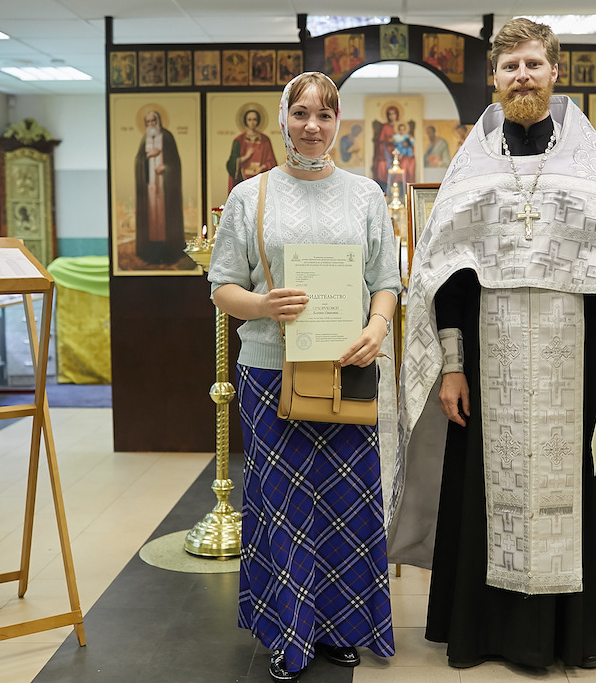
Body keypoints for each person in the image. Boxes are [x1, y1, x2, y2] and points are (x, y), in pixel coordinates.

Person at [387, 17, 596, 672]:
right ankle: (481, 631)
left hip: (570, 357)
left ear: (555, 72)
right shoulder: (471, 169)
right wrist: (451, 365)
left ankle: (570, 632)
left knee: (572, 480)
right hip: (486, 357)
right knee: (480, 486)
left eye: (533, 64)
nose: (522, 77)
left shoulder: (589, 168)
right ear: (494, 79)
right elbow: (447, 279)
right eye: (510, 67)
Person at [207, 72, 400, 683]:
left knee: (348, 500)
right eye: (300, 114)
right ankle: (288, 633)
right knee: (283, 504)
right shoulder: (250, 195)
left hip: (347, 369)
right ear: (283, 119)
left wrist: (377, 328)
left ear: (339, 122)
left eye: (324, 114)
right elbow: (221, 286)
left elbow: (386, 280)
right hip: (270, 371)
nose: (312, 126)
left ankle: (341, 628)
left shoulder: (366, 194)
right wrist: (262, 305)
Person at [134, 110, 186, 264]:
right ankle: (150, 250)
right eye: (148, 122)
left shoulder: (167, 137)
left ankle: (169, 250)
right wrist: (147, 156)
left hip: (165, 187)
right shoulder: (145, 139)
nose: (151, 124)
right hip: (150, 187)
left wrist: (166, 168)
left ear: (159, 121)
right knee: (151, 217)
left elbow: (175, 162)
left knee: (164, 216)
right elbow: (138, 161)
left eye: (153, 121)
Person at [226, 108, 278, 192]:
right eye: (249, 120)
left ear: (258, 121)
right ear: (245, 121)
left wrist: (262, 167)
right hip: (242, 180)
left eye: (254, 119)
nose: (252, 122)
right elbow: (231, 163)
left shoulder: (265, 140)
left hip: (261, 180)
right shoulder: (238, 140)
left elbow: (272, 162)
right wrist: (246, 157)